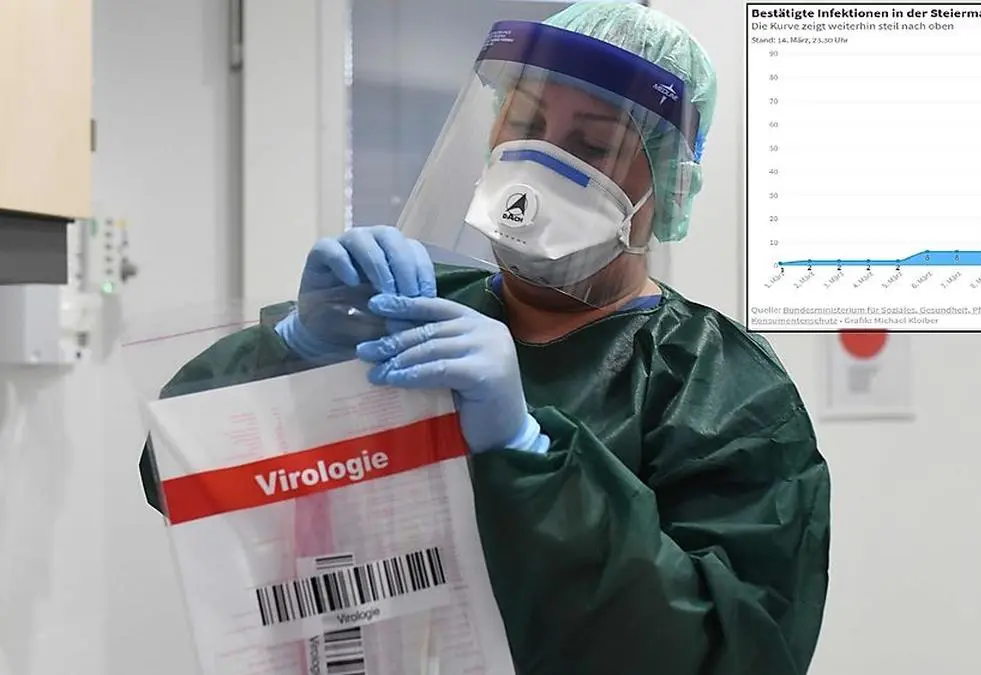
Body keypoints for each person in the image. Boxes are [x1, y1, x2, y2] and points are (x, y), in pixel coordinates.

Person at [137, 3, 830, 673]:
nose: (539, 162)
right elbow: (178, 480)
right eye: (524, 123)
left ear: (667, 189)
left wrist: (529, 456)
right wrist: (291, 357)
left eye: (592, 144)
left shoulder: (720, 392)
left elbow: (733, 652)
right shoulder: (408, 313)